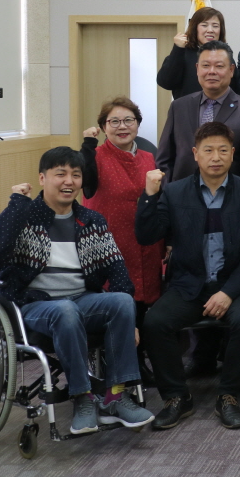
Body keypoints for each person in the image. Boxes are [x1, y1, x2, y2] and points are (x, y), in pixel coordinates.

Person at [0, 147, 153, 435]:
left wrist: (130, 320)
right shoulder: (24, 215)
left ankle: (115, 397)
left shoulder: (91, 220)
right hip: (34, 304)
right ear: (42, 178)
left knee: (123, 301)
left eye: (75, 175)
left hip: (82, 300)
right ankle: (82, 397)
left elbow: (117, 270)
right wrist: (16, 205)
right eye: (60, 174)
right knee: (66, 309)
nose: (69, 181)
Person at [137, 122, 240, 430]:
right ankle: (176, 397)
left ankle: (229, 395)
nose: (216, 157)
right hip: (189, 284)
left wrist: (228, 292)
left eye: (223, 150)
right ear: (195, 154)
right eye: (208, 150)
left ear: (232, 154)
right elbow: (147, 235)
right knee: (156, 322)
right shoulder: (174, 192)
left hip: (236, 284)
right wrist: (149, 196)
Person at [80, 97, 163, 385]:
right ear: (103, 127)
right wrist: (87, 145)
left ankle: (137, 363)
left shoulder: (149, 157)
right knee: (118, 300)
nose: (122, 126)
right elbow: (86, 187)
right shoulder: (94, 157)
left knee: (142, 302)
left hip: (145, 241)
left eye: (128, 120)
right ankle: (117, 365)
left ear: (138, 124)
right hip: (109, 243)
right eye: (114, 121)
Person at [157, 40, 240, 186]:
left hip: (230, 195)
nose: (212, 71)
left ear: (231, 70)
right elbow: (164, 159)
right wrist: (167, 191)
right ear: (197, 69)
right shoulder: (178, 107)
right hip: (182, 193)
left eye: (219, 66)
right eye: (206, 65)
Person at [157, 6, 240, 99]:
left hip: (222, 107)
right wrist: (178, 49)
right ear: (194, 28)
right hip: (188, 107)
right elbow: (166, 83)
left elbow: (237, 90)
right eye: (204, 25)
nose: (210, 30)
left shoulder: (225, 55)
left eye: (215, 26)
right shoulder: (182, 53)